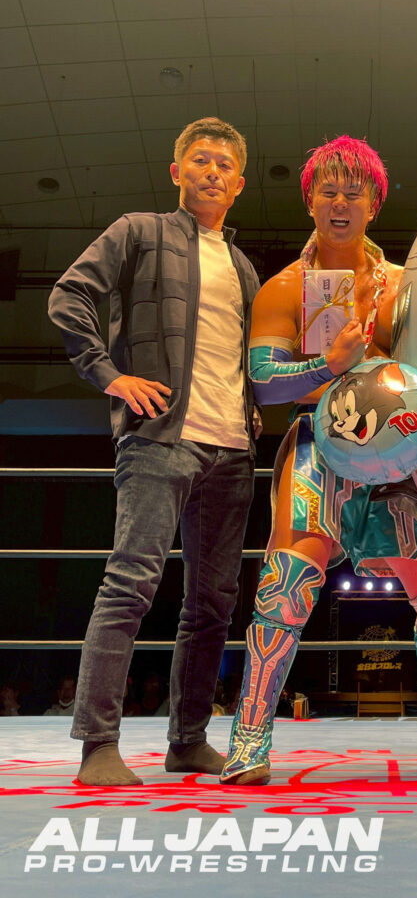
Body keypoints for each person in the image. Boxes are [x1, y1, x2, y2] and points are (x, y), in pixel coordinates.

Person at [220, 135, 417, 784]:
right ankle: (249, 736)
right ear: (310, 202)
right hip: (318, 446)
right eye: (328, 191)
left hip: (398, 452)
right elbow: (263, 381)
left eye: (353, 192)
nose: (340, 203)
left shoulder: (408, 285)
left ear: (375, 203)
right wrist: (329, 364)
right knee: (286, 585)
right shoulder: (286, 288)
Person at [48, 117, 260, 786]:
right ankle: (98, 745)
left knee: (213, 605)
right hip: (161, 438)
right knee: (130, 583)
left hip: (233, 450)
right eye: (200, 160)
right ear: (177, 172)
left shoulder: (245, 267)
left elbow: (253, 359)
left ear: (239, 183)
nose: (212, 172)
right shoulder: (139, 230)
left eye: (224, 164)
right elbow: (68, 295)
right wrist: (109, 375)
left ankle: (188, 739)